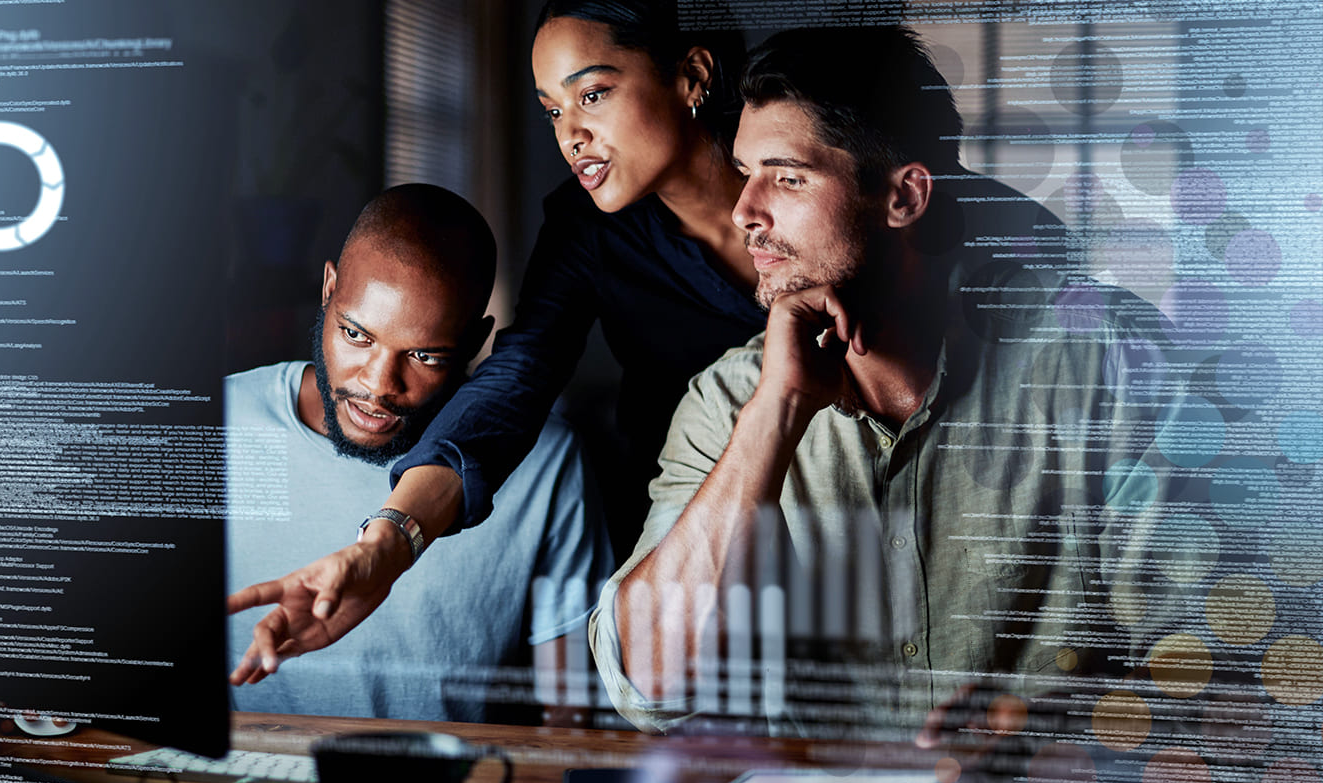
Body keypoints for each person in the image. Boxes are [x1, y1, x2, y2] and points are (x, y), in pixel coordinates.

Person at [589, 26, 1193, 744]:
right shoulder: (729, 403)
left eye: (786, 177)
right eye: (746, 172)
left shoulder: (1105, 365)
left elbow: (1213, 649)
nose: (744, 211)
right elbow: (648, 688)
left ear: (904, 197)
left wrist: (1048, 732)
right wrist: (776, 413)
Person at [228, 0, 770, 688]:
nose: (570, 134)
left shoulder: (814, 181)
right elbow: (517, 377)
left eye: (593, 94)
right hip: (699, 522)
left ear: (693, 76)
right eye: (551, 111)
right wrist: (389, 545)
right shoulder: (587, 233)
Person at [224, 183, 612, 723]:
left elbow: (568, 712)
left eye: (425, 355)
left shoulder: (546, 459)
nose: (380, 385)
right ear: (328, 288)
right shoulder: (217, 423)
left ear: (477, 342)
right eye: (356, 334)